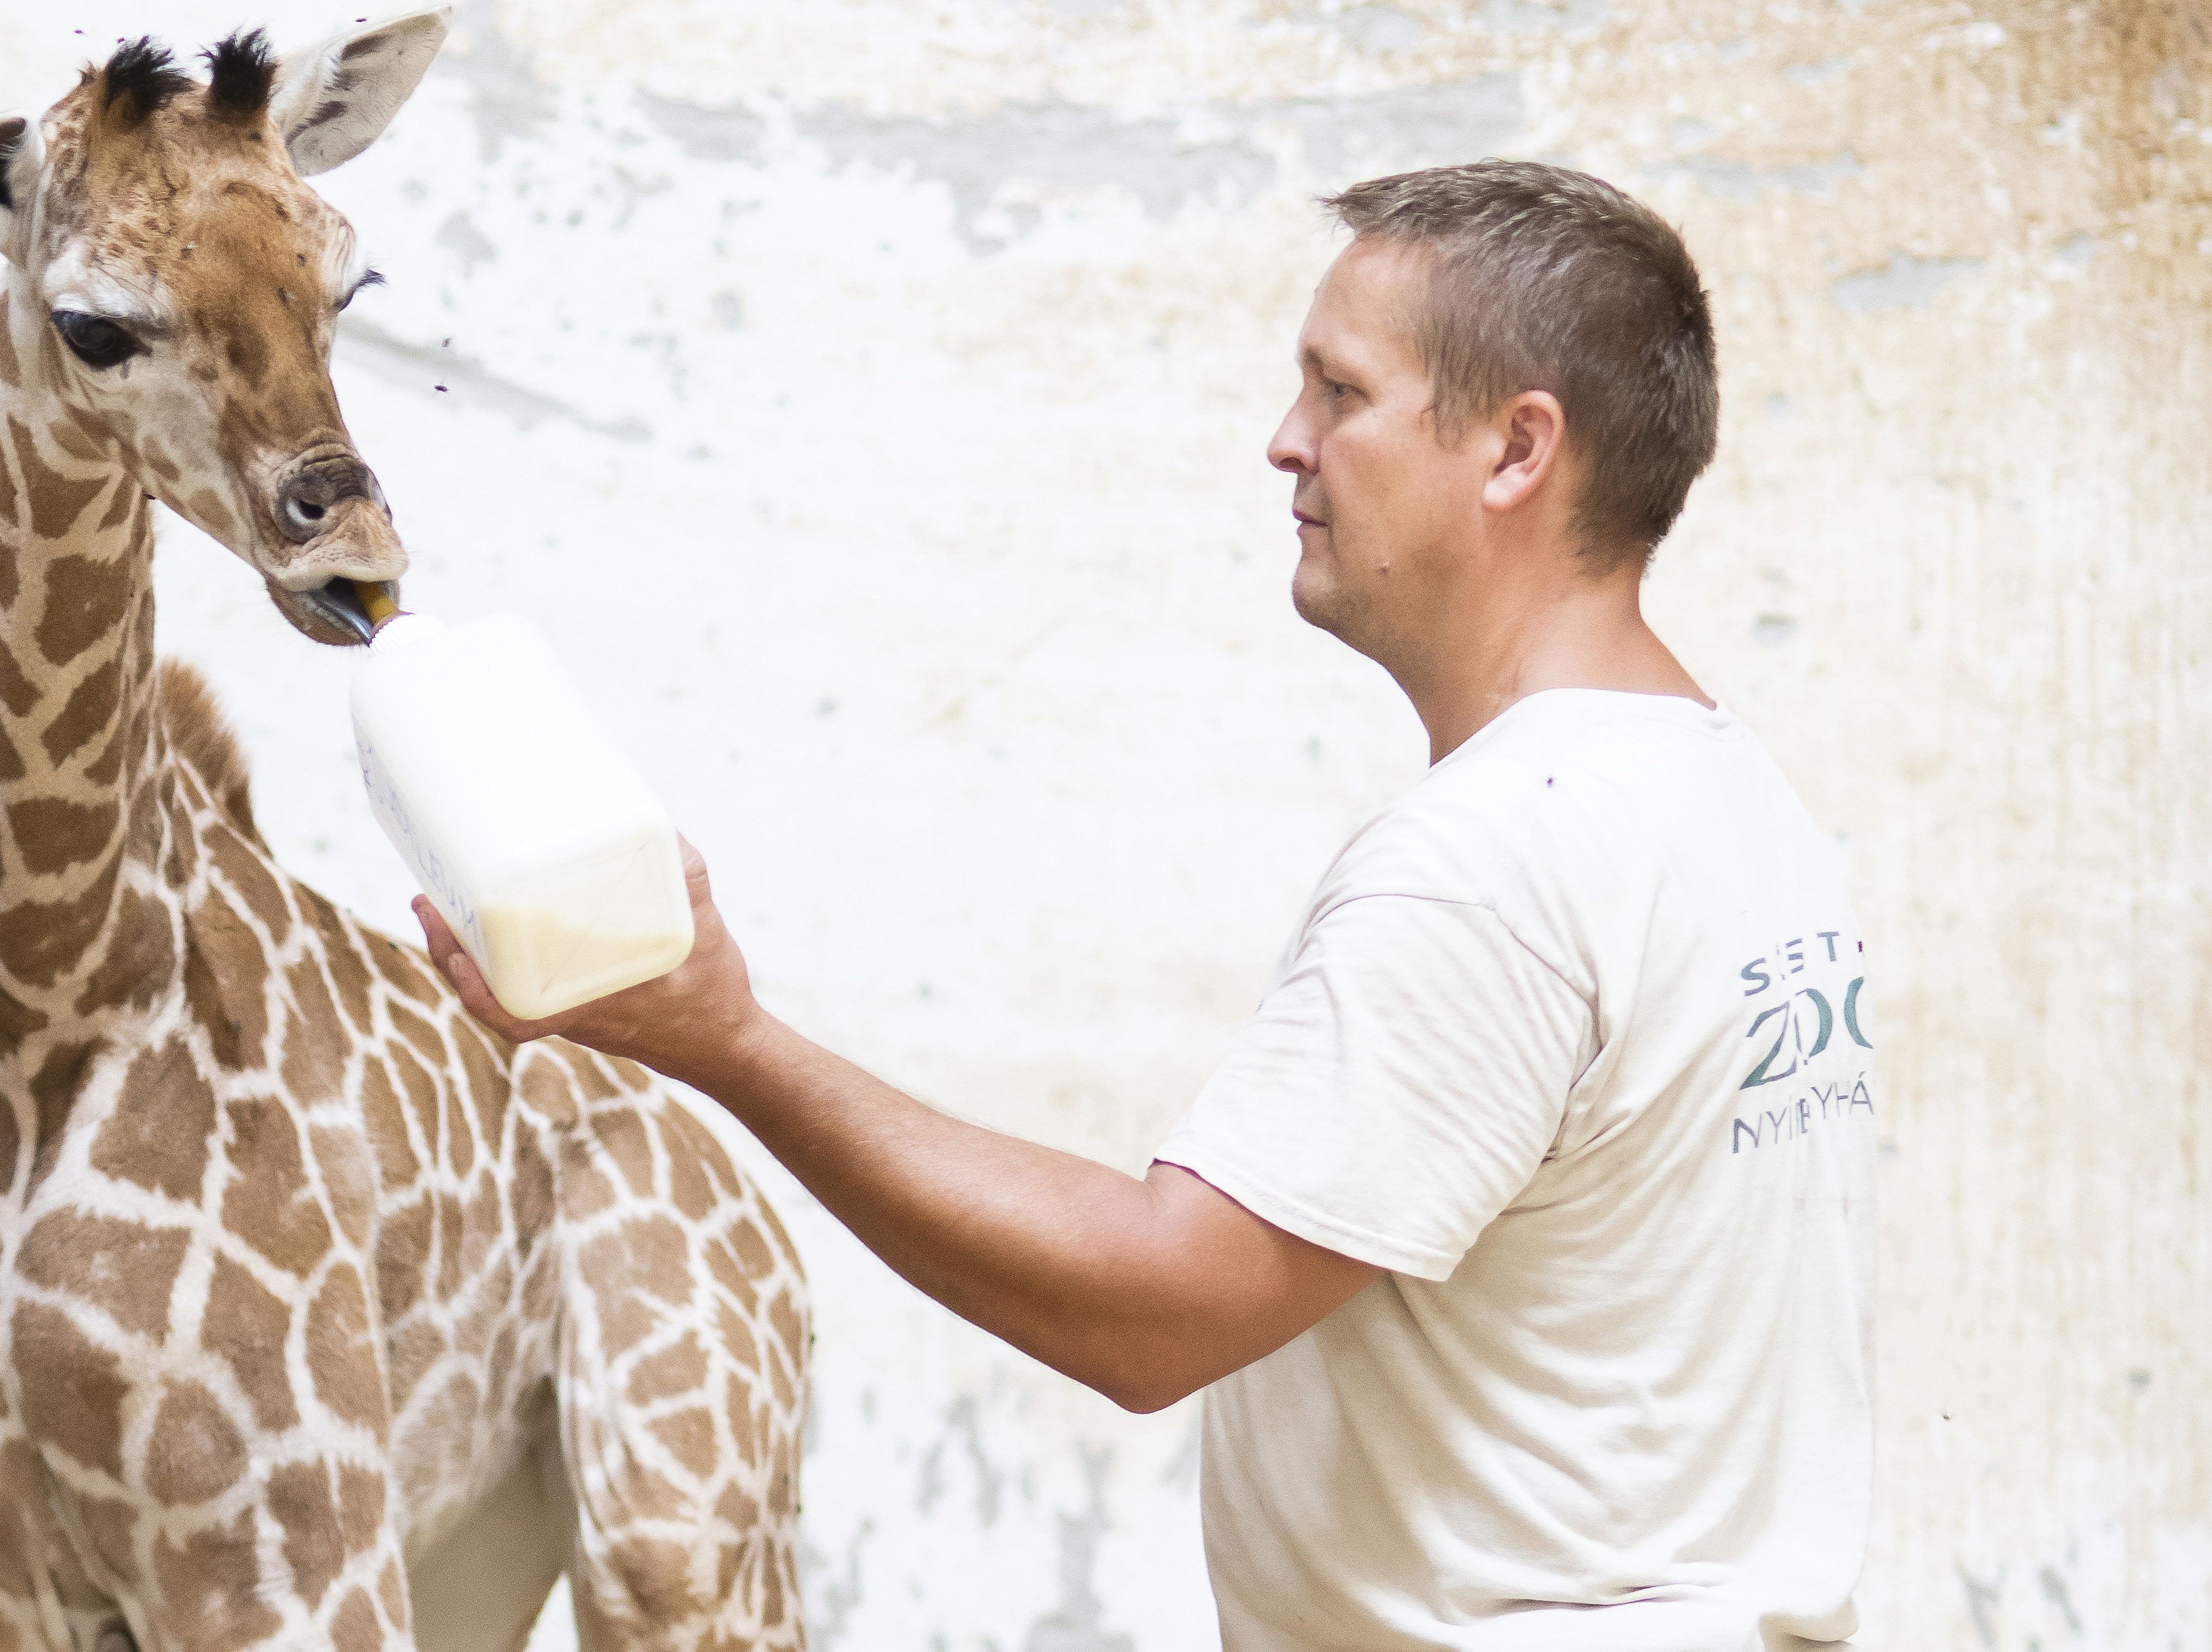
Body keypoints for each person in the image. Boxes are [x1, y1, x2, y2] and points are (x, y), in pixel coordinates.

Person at [415, 160, 1876, 1652]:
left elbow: (1159, 1309)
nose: (1283, 443)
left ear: (1515, 451)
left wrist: (729, 1043)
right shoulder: (1739, 802)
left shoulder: (1496, 862)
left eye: (1339, 393)